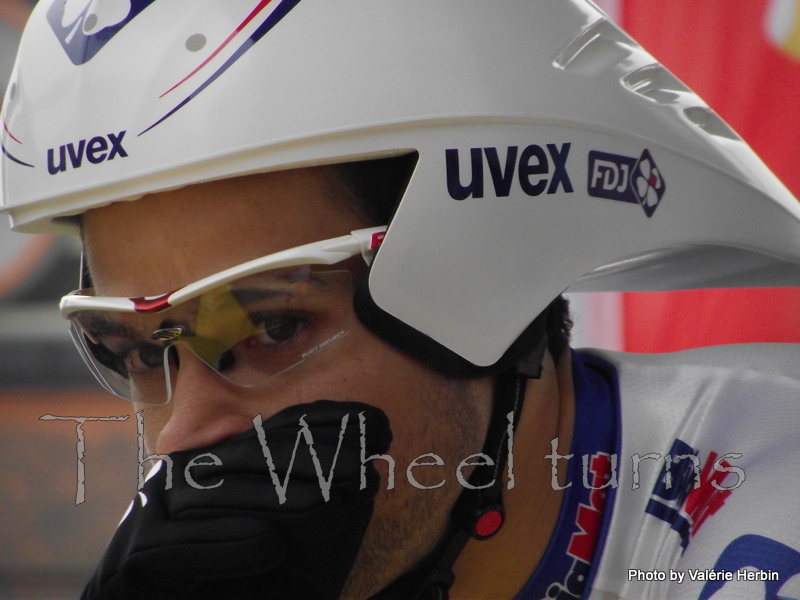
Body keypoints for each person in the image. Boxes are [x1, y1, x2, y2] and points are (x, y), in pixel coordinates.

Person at [2, 1, 799, 599]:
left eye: (272, 325)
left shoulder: (770, 509)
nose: (182, 434)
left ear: (490, 278)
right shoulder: (201, 544)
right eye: (140, 349)